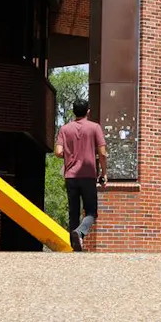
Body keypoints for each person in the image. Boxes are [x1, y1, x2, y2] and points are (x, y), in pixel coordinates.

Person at [55, 98, 107, 251]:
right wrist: (104, 173)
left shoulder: (65, 129)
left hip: (70, 176)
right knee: (91, 211)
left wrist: (69, 155)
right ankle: (80, 232)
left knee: (73, 212)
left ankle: (74, 247)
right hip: (88, 176)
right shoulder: (95, 128)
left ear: (73, 111)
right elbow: (102, 153)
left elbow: (58, 152)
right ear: (88, 111)